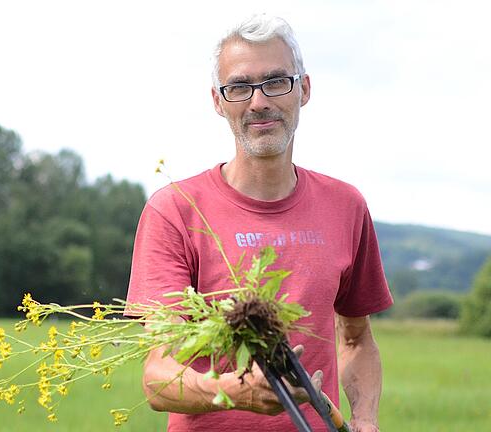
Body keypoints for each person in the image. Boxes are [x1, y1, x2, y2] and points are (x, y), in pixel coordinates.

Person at [125, 14, 393, 432]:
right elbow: (159, 377)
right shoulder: (174, 210)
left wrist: (364, 419)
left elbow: (356, 338)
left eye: (275, 82)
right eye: (239, 87)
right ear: (218, 100)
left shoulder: (347, 206)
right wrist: (236, 391)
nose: (258, 102)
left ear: (303, 89)